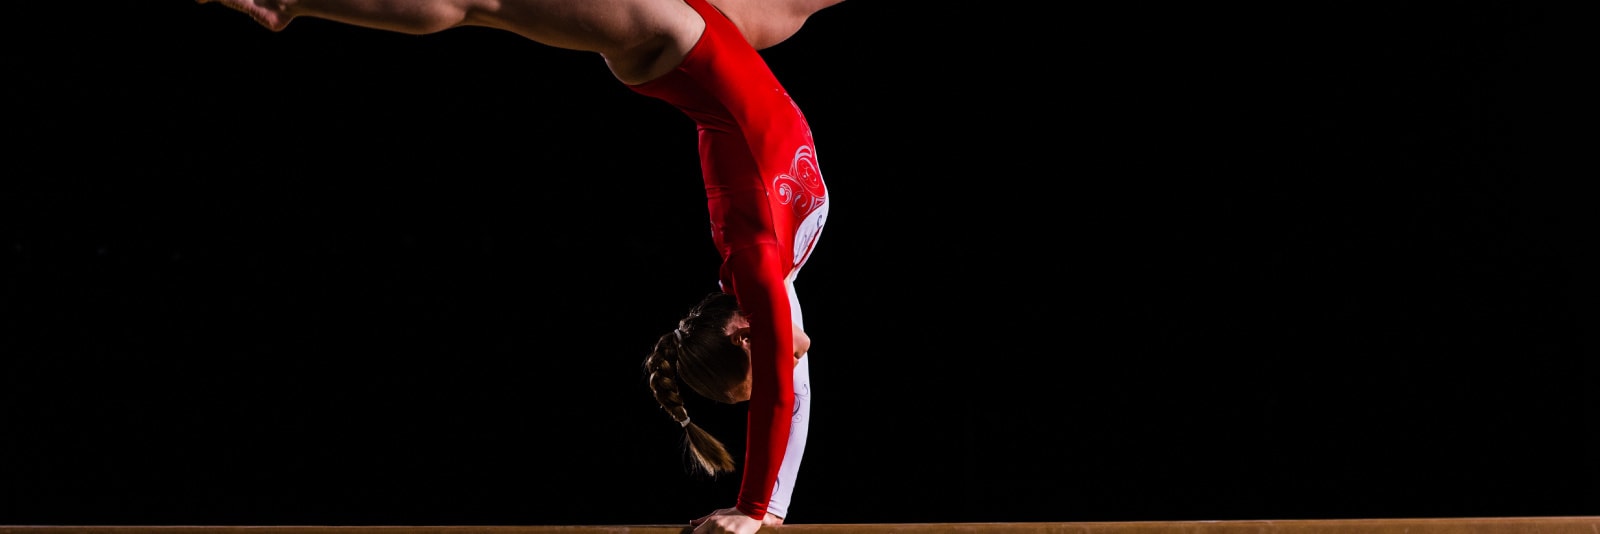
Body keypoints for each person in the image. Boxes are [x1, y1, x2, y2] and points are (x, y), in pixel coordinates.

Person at [196, 0, 837, 532]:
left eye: (769, 361)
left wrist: (750, 511)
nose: (793, 359)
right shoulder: (776, 281)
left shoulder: (757, 268)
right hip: (711, 30)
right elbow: (790, 396)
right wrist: (770, 510)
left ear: (743, 334)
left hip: (667, 37)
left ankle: (289, 1)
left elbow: (781, 389)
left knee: (479, 2)